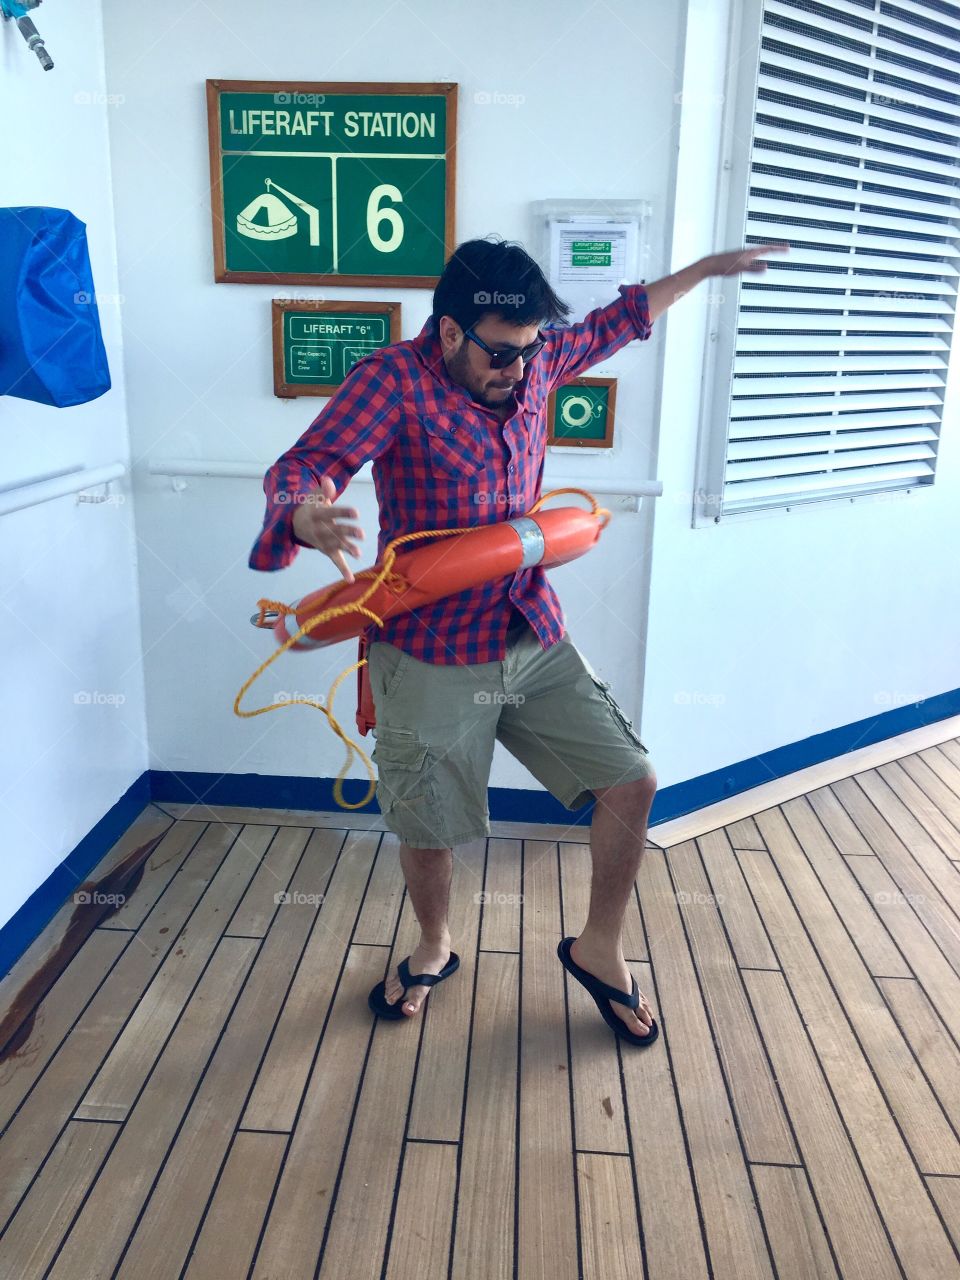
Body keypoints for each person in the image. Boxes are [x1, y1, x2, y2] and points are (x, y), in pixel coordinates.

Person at [250, 235, 788, 1046]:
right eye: (502, 352)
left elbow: (623, 319)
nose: (519, 369)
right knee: (430, 824)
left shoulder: (532, 358)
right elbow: (307, 461)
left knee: (631, 779)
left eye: (531, 351)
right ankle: (435, 944)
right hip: (428, 647)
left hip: (528, 628)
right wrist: (302, 512)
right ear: (452, 332)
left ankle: (598, 947)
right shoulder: (394, 381)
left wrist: (706, 270)